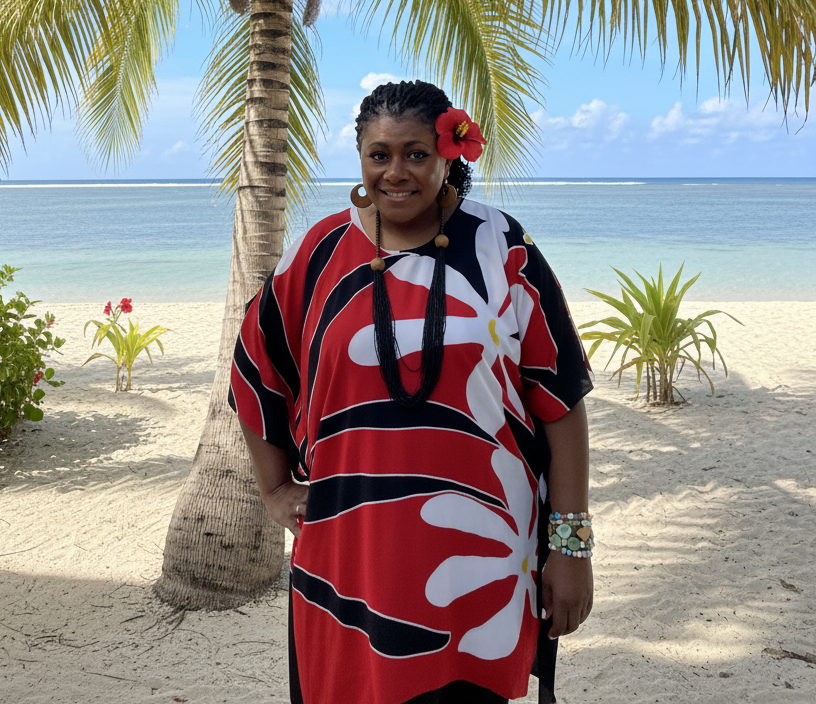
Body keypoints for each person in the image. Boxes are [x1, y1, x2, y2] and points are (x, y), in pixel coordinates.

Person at [229, 80, 594, 704]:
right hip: (348, 556)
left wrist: (571, 546)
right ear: (360, 159)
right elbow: (255, 365)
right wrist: (274, 489)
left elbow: (560, 402)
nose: (396, 173)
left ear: (448, 156)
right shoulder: (319, 253)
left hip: (481, 558)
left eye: (416, 154)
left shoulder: (502, 247)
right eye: (379, 155)